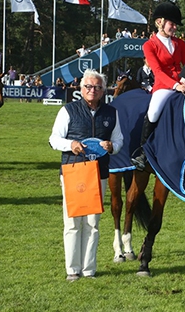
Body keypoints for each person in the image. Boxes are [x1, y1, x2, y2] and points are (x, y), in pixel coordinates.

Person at [49, 69, 124, 281]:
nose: (93, 90)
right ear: (81, 89)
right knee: (73, 222)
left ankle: (89, 269)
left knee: (93, 223)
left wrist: (112, 147)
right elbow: (54, 139)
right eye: (89, 87)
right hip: (73, 172)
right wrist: (70, 144)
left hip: (99, 173)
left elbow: (119, 141)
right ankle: (72, 270)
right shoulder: (68, 110)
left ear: (103, 91)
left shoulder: (112, 113)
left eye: (97, 87)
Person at [130, 2, 185, 171]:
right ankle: (142, 151)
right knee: (154, 111)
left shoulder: (180, 44)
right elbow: (157, 70)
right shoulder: (149, 45)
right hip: (164, 86)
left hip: (182, 84)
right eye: (172, 24)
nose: (175, 28)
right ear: (160, 22)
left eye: (175, 25)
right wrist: (175, 84)